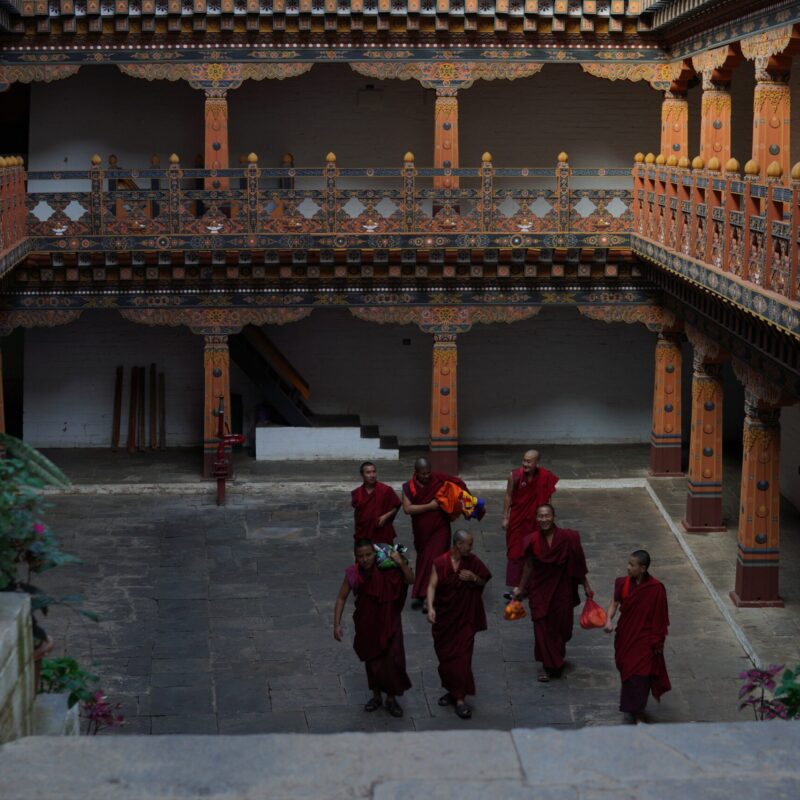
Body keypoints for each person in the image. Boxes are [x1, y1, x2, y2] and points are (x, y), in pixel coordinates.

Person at [333, 539, 414, 718]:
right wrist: (336, 624)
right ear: (356, 557)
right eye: (360, 556)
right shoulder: (354, 573)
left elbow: (410, 579)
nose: (365, 559)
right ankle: (376, 696)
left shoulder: (388, 568)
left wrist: (400, 562)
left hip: (389, 622)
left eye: (368, 555)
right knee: (373, 660)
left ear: (374, 554)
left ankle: (391, 699)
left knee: (393, 660)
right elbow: (341, 598)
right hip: (367, 623)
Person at [513, 504, 592, 682]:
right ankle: (547, 665)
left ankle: (557, 658)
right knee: (541, 626)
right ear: (536, 519)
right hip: (540, 589)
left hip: (562, 589)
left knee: (561, 627)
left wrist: (585, 585)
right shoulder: (532, 539)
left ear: (553, 516)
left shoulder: (568, 538)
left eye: (547, 516)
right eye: (540, 516)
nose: (543, 520)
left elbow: (578, 563)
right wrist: (520, 587)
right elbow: (528, 566)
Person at [426, 529, 491, 720]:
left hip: (465, 619)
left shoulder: (473, 562)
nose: (471, 548)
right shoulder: (440, 562)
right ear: (458, 545)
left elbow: (483, 581)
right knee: (446, 659)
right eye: (469, 544)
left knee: (462, 658)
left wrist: (473, 578)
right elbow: (431, 585)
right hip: (445, 619)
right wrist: (430, 607)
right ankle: (452, 691)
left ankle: (460, 700)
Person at [604, 550, 671, 724]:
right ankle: (632, 708)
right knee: (627, 670)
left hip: (645, 639)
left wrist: (657, 641)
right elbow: (614, 603)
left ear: (643, 568)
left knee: (641, 675)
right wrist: (608, 620)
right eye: (628, 563)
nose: (628, 568)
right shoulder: (622, 584)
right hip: (626, 636)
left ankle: (638, 710)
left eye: (632, 565)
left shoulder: (656, 588)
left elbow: (660, 616)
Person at [401, 457, 467, 611]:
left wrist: (466, 504)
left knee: (436, 559)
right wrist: (430, 506)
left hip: (440, 527)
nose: (426, 476)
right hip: (421, 530)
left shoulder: (438, 478)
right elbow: (407, 509)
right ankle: (424, 592)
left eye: (428, 473)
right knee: (424, 559)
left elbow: (459, 484)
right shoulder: (408, 487)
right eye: (422, 474)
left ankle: (429, 597)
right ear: (415, 472)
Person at [502, 449, 559, 587]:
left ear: (536, 463)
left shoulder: (545, 476)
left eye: (528, 461)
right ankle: (516, 586)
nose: (525, 464)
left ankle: (531, 583)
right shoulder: (514, 475)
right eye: (524, 460)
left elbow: (547, 498)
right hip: (518, 520)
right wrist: (505, 517)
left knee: (535, 550)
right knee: (515, 551)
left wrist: (549, 519)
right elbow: (508, 496)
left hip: (536, 521)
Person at [351, 461, 402, 544]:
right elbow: (357, 514)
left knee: (383, 556)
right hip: (364, 533)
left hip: (381, 532)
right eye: (368, 472)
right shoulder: (357, 493)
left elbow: (396, 506)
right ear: (362, 475)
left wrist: (385, 516)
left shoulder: (385, 490)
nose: (372, 475)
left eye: (374, 471)